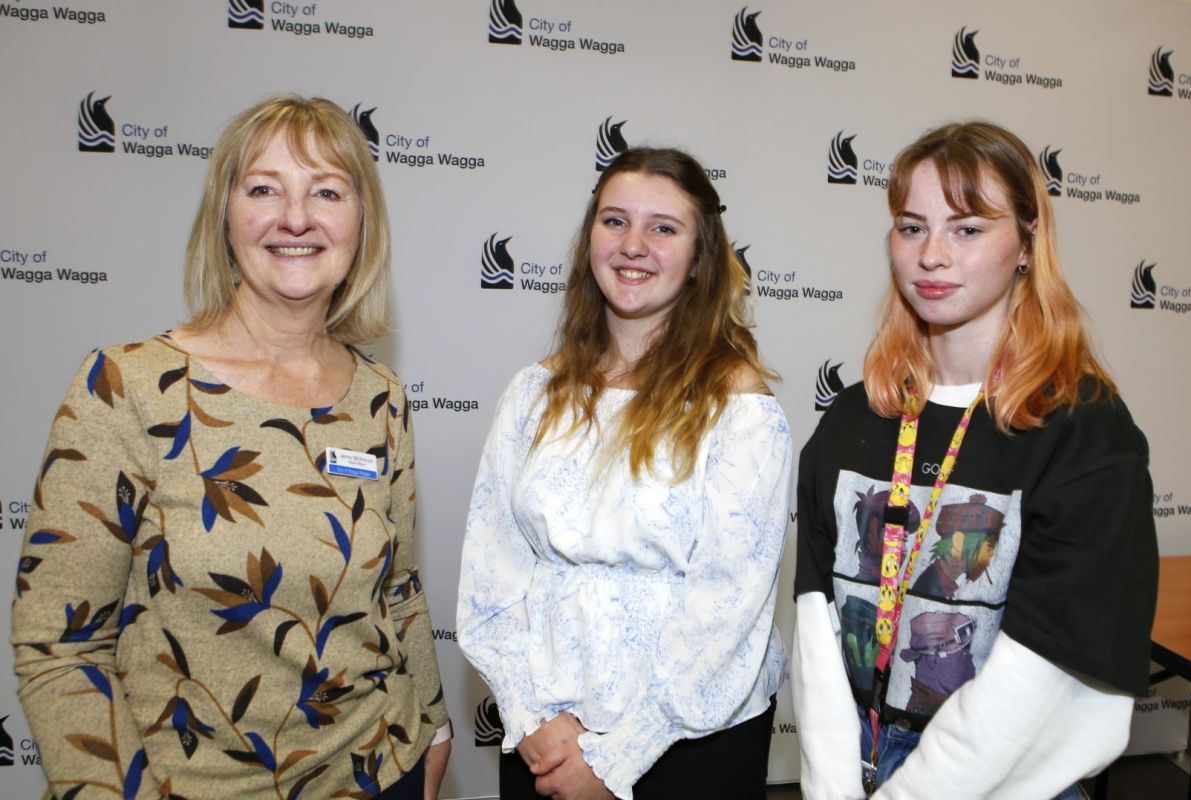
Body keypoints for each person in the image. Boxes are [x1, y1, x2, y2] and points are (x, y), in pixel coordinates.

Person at [12, 95, 451, 799]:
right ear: (224, 214)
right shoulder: (127, 387)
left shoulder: (381, 396)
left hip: (379, 771)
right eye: (264, 188)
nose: (297, 217)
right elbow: (60, 648)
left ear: (361, 224)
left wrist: (433, 729)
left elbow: (397, 592)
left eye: (327, 191)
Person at [790, 120, 1158, 799]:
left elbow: (1043, 674)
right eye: (910, 226)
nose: (931, 255)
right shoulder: (852, 417)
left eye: (966, 229)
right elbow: (816, 624)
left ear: (1026, 243)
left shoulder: (1083, 432)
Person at [457, 148, 792, 800]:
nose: (633, 245)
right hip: (546, 741)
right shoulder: (534, 393)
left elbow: (727, 603)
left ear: (699, 256)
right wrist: (531, 716)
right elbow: (490, 575)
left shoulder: (738, 404)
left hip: (688, 747)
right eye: (615, 222)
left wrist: (618, 759)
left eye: (663, 228)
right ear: (589, 241)